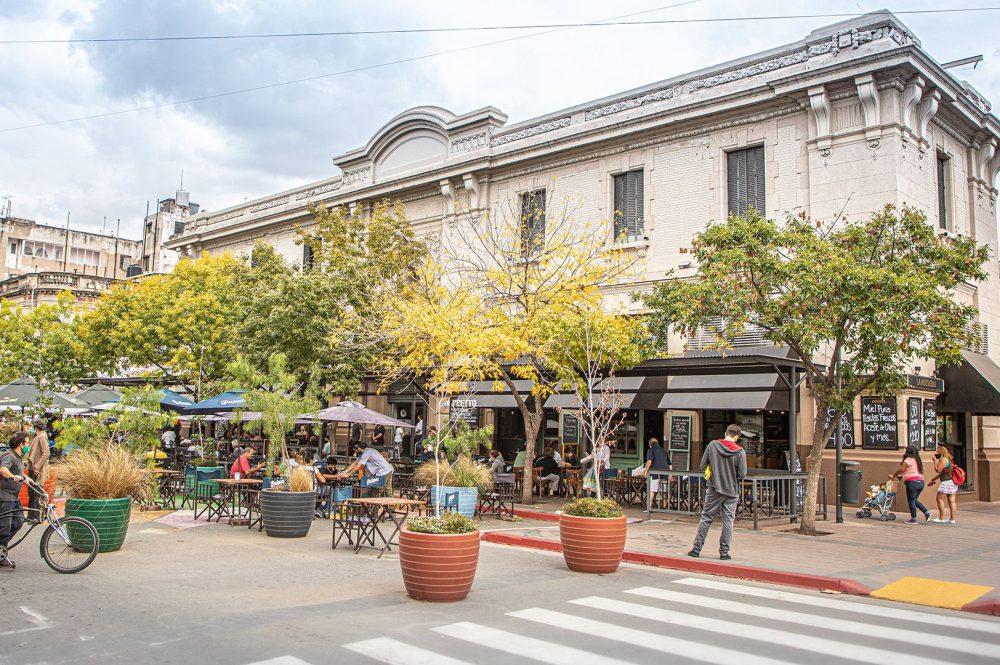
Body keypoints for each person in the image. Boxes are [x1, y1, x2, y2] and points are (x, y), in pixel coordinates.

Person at [689, 424, 747, 561]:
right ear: (737, 437)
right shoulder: (740, 452)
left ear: (725, 433)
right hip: (731, 490)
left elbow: (702, 465)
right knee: (728, 521)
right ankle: (724, 553)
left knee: (706, 518)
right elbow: (742, 474)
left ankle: (696, 550)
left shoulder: (712, 445)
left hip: (714, 488)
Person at [1, 432, 28, 570]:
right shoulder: (9, 455)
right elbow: (3, 469)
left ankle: (1, 549)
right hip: (5, 496)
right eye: (27, 443)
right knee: (5, 527)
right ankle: (1, 555)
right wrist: (12, 477)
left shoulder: (18, 458)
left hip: (14, 497)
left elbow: (21, 474)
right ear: (20, 444)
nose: (28, 446)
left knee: (18, 522)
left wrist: (31, 482)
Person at [891, 445, 931, 525]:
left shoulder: (908, 459)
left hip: (912, 483)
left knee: (911, 501)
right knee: (914, 500)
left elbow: (901, 469)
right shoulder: (917, 460)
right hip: (920, 482)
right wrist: (902, 476)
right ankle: (926, 513)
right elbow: (910, 471)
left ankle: (914, 519)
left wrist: (894, 476)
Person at [927, 445, 958, 524]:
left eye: (937, 453)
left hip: (946, 482)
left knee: (939, 499)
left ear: (941, 453)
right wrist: (933, 479)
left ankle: (941, 518)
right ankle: (952, 519)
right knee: (952, 501)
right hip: (952, 482)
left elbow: (938, 470)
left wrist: (935, 461)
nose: (936, 454)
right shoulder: (949, 460)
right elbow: (942, 473)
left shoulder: (943, 460)